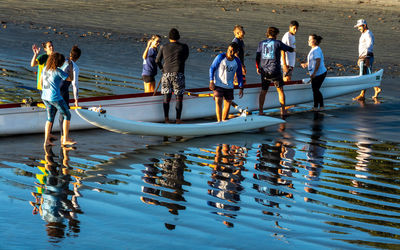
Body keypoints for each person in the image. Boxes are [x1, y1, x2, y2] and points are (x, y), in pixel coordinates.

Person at [256, 27, 294, 116]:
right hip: (275, 71)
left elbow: (257, 57)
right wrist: (293, 49)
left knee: (263, 91)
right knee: (280, 90)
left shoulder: (261, 43)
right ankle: (283, 111)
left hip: (264, 71)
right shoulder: (277, 43)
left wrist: (258, 67)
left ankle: (261, 111)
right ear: (276, 35)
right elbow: (289, 49)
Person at [41, 52, 76, 146]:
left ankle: (46, 141)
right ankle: (65, 138)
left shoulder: (45, 69)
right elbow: (70, 79)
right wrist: (71, 65)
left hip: (45, 97)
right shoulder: (58, 71)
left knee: (50, 118)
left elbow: (41, 82)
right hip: (55, 97)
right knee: (67, 115)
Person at [155, 28, 189, 124]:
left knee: (167, 97)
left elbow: (157, 61)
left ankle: (166, 119)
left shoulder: (163, 47)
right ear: (178, 37)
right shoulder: (184, 47)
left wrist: (162, 69)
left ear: (169, 37)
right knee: (179, 97)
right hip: (178, 73)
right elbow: (185, 58)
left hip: (166, 74)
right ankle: (178, 119)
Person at [209, 43, 244, 122]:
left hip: (229, 86)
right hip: (218, 84)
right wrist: (211, 81)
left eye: (232, 51)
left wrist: (241, 87)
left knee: (227, 104)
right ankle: (219, 121)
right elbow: (212, 68)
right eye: (229, 50)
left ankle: (223, 122)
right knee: (218, 102)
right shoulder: (220, 57)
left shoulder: (237, 61)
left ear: (236, 52)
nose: (229, 53)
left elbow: (239, 75)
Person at [352, 19, 381, 100]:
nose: (358, 28)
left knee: (364, 76)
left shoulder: (368, 34)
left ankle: (365, 93)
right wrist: (359, 58)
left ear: (364, 25)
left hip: (366, 57)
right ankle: (373, 90)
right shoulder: (364, 34)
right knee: (366, 75)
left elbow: (369, 46)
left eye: (359, 27)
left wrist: (366, 58)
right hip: (363, 57)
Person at [59, 45, 81, 141]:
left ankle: (61, 136)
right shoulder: (74, 67)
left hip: (53, 88)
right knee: (64, 114)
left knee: (56, 112)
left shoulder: (62, 61)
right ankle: (64, 137)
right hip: (63, 90)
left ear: (70, 54)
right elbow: (74, 84)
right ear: (78, 57)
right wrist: (76, 100)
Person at [301, 34, 328, 111]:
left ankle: (318, 106)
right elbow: (313, 61)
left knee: (315, 90)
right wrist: (306, 64)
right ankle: (318, 106)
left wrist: (314, 73)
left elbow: (318, 61)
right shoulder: (314, 49)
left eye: (310, 39)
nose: (308, 41)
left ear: (314, 41)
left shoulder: (316, 50)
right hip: (317, 73)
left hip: (319, 73)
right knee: (315, 89)